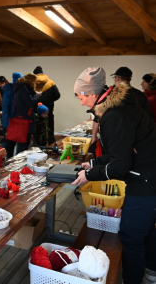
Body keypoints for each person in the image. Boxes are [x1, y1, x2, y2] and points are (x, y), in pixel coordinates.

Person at [72, 67, 156, 284]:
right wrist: (91, 163)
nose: (81, 102)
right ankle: (152, 270)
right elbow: (117, 152)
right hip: (148, 173)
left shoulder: (114, 115)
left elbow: (119, 166)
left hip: (147, 179)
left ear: (92, 93)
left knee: (131, 235)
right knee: (146, 228)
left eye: (81, 96)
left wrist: (90, 174)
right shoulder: (117, 108)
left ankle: (135, 279)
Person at [11, 76, 39, 153]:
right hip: (25, 121)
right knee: (24, 146)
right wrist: (37, 95)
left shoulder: (19, 89)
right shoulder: (24, 90)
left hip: (21, 119)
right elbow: (31, 103)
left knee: (21, 145)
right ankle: (21, 163)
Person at [33, 66, 61, 144]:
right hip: (48, 110)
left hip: (36, 112)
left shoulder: (33, 83)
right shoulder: (50, 82)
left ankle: (38, 149)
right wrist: (49, 100)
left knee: (38, 133)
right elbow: (58, 95)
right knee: (50, 131)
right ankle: (52, 147)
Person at [2, 72, 23, 158]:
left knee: (12, 143)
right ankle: (8, 162)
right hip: (10, 122)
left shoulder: (13, 91)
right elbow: (6, 109)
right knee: (10, 145)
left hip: (14, 121)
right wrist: (7, 124)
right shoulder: (9, 92)